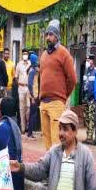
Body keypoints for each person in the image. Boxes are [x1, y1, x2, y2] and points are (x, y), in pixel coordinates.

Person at [40, 20, 77, 149]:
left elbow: (72, 79)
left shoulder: (64, 53)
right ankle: (48, 167)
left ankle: (57, 168)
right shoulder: (44, 55)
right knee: (46, 140)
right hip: (43, 103)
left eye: (51, 35)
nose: (48, 38)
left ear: (57, 36)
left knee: (56, 141)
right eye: (47, 35)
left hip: (57, 103)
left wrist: (63, 96)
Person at [82, 52, 96, 145]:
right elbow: (84, 85)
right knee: (87, 117)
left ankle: (90, 136)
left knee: (91, 117)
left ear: (92, 61)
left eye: (89, 60)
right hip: (86, 97)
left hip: (92, 98)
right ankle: (88, 135)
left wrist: (94, 96)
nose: (87, 62)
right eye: (87, 60)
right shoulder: (86, 71)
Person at [15, 50, 31, 132]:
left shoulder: (30, 64)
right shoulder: (19, 64)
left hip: (28, 88)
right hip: (21, 88)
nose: (25, 55)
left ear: (28, 55)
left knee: (28, 107)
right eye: (24, 54)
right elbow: (16, 76)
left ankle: (28, 124)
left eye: (26, 54)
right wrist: (19, 83)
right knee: (22, 108)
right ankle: (23, 128)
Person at [27, 52, 40, 139]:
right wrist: (32, 97)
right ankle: (30, 133)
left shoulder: (33, 70)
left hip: (35, 94)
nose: (37, 61)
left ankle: (30, 132)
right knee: (32, 114)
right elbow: (30, 84)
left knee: (33, 113)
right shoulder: (32, 71)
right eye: (36, 59)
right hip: (33, 95)